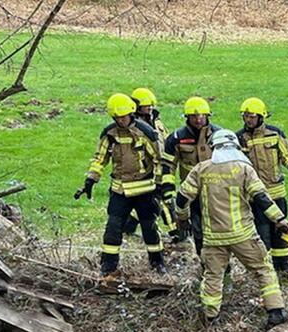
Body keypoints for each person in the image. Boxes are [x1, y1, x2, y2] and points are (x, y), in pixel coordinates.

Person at [174, 129, 288, 327]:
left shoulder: (202, 169)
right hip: (243, 235)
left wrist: (182, 218)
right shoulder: (244, 169)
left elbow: (182, 197)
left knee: (212, 276)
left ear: (213, 147)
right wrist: (279, 219)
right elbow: (261, 198)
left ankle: (211, 317)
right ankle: (275, 312)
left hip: (213, 238)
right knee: (263, 269)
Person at [78, 93, 166, 276]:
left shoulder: (145, 132)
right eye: (117, 117)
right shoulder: (109, 134)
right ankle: (108, 267)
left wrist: (159, 184)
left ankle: (157, 263)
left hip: (145, 190)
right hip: (120, 190)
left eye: (123, 116)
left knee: (150, 229)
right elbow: (99, 158)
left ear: (131, 113)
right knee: (113, 229)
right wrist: (91, 179)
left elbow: (158, 159)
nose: (121, 120)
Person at [236, 97, 288, 275]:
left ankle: (283, 268)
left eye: (252, 116)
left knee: (281, 234)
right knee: (262, 235)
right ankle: (265, 270)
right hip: (256, 198)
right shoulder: (240, 138)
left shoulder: (274, 134)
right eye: (245, 116)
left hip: (277, 194)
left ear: (261, 117)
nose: (248, 120)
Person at [161, 96, 221, 255]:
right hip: (192, 194)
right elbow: (168, 166)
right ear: (187, 117)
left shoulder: (219, 135)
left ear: (208, 115)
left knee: (219, 230)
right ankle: (204, 263)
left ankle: (222, 265)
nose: (198, 119)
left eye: (202, 115)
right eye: (194, 116)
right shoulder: (176, 138)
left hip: (217, 192)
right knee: (198, 232)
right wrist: (168, 191)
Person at [124, 87, 174, 237]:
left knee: (152, 200)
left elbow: (166, 138)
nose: (150, 108)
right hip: (146, 170)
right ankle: (176, 231)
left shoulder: (156, 121)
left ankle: (128, 225)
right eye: (147, 106)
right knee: (162, 198)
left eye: (151, 105)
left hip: (162, 164)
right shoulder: (134, 126)